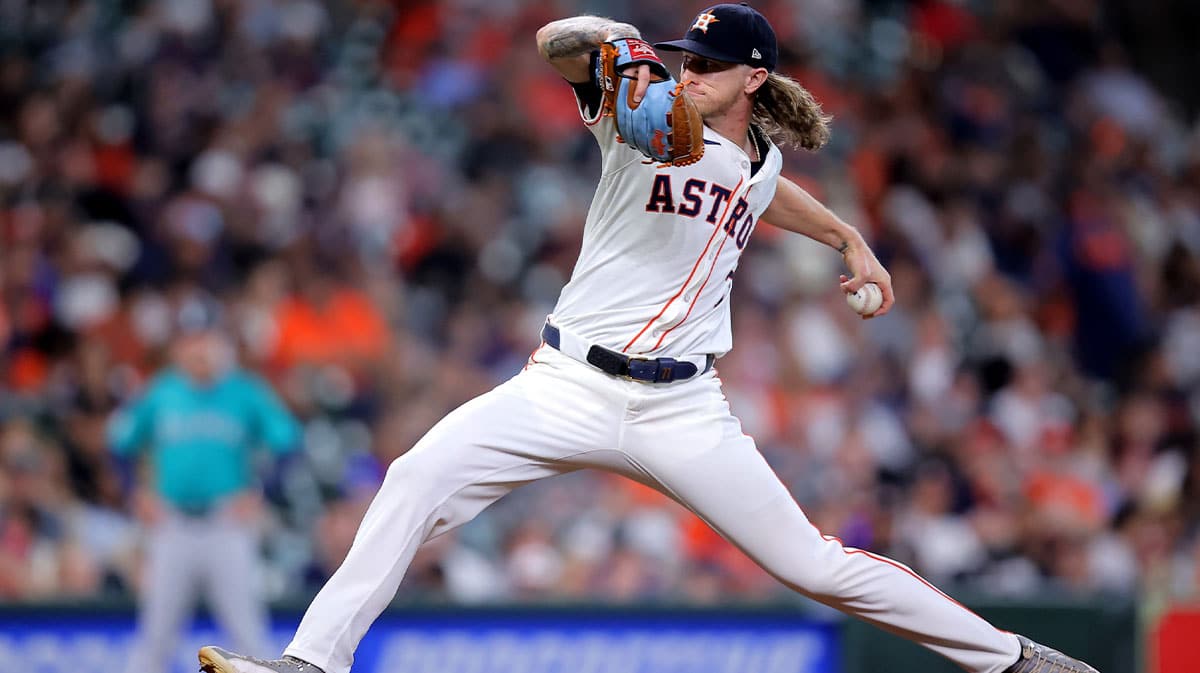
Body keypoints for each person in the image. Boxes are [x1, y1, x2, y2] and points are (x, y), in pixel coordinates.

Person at [198, 5, 1099, 673]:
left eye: (708, 63)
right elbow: (560, 45)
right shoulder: (637, 118)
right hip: (567, 383)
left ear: (753, 79)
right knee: (416, 476)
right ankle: (311, 663)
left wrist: (846, 237)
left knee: (815, 564)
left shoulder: (759, 157)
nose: (689, 71)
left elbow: (760, 184)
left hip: (683, 406)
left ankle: (1011, 660)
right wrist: (611, 39)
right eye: (684, 57)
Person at [109, 293, 302, 673]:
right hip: (172, 525)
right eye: (191, 338)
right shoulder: (161, 391)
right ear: (178, 345)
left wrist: (261, 492)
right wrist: (135, 493)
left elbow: (289, 444)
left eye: (206, 337)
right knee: (154, 639)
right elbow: (119, 445)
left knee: (248, 635)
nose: (199, 347)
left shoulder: (244, 391)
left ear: (221, 343)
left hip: (226, 525)